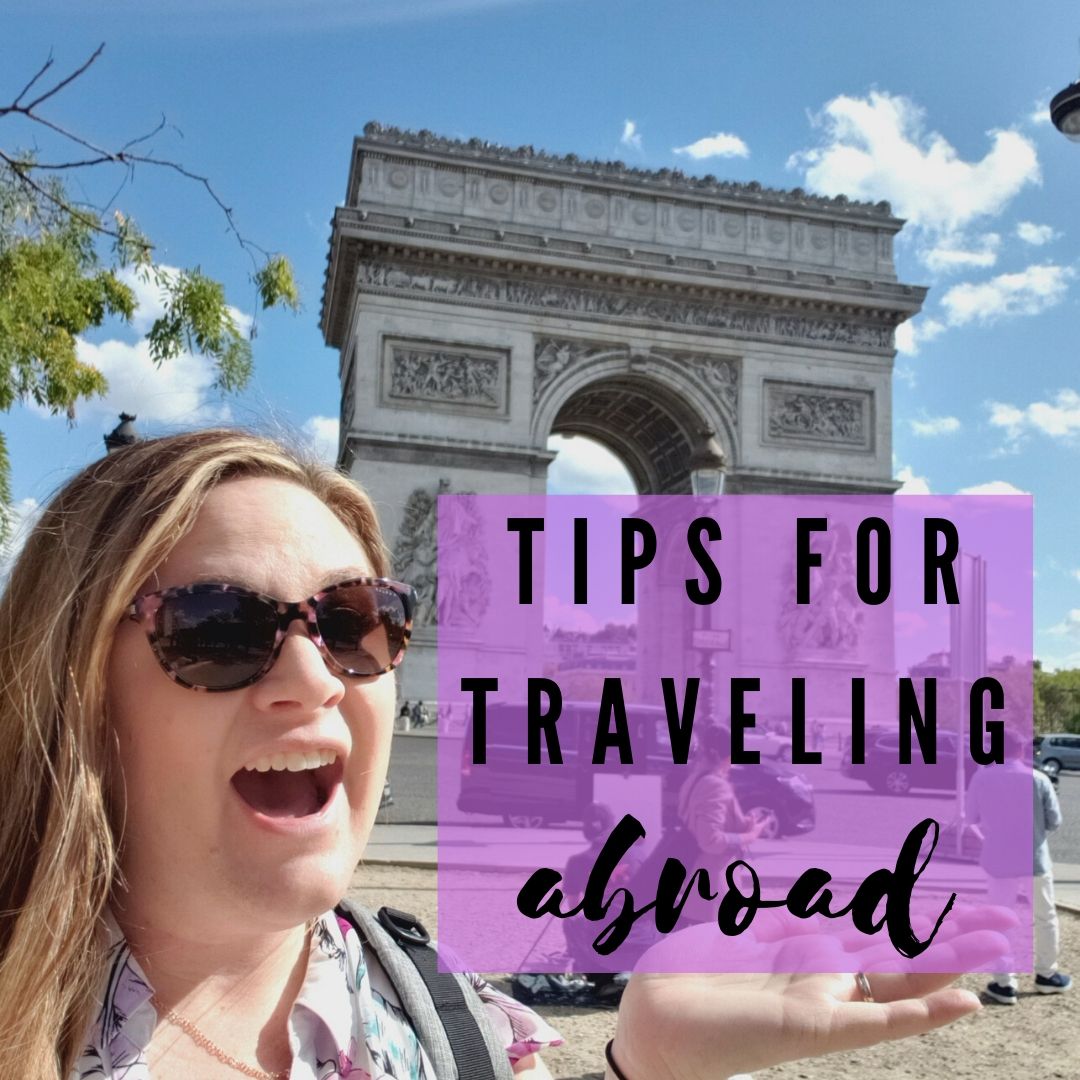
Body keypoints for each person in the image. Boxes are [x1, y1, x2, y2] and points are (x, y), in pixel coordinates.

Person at [0, 428, 991, 1080]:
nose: (313, 679)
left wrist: (643, 1066)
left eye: (358, 624)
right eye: (218, 627)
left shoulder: (458, 1031)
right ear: (71, 681)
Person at [965, 727, 1072, 1005]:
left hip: (997, 859)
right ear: (1022, 750)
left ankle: (1004, 982)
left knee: (1001, 918)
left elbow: (972, 817)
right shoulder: (1038, 779)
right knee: (1044, 917)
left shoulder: (981, 777)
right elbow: (1054, 821)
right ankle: (1046, 974)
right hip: (1034, 857)